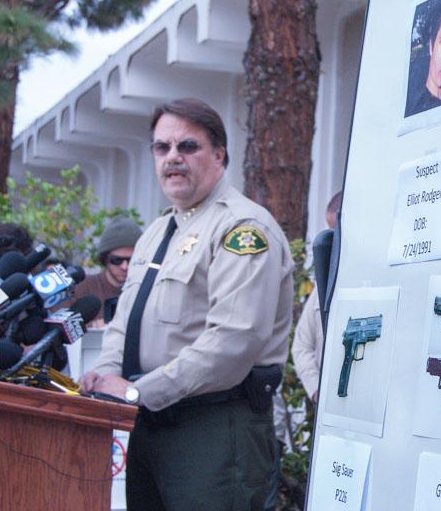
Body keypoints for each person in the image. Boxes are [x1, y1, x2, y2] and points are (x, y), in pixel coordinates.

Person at [81, 98, 294, 509]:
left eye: (187, 147)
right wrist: (107, 378)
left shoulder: (242, 228)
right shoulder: (158, 230)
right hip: (147, 422)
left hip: (213, 430)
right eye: (162, 148)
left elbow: (233, 342)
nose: (173, 158)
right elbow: (125, 321)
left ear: (219, 155)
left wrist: (135, 393)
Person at [291, 190, 342, 404]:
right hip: (328, 410)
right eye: (329, 233)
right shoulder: (324, 283)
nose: (333, 243)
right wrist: (316, 390)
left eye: (337, 234)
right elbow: (301, 346)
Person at [77, 216, 142, 328]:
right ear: (105, 259)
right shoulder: (83, 287)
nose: (124, 266)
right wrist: (91, 326)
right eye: (117, 260)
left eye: (131, 260)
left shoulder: (148, 290)